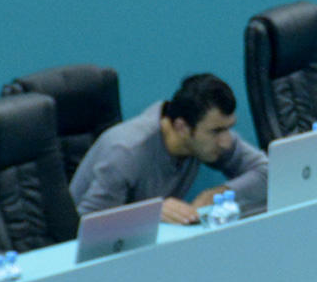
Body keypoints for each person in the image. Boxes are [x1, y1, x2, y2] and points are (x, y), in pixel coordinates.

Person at [70, 73, 268, 224]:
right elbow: (87, 224)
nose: (226, 142)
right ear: (182, 127)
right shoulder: (126, 151)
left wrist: (220, 193)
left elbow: (267, 172)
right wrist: (150, 213)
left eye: (228, 128)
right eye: (216, 131)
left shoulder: (206, 133)